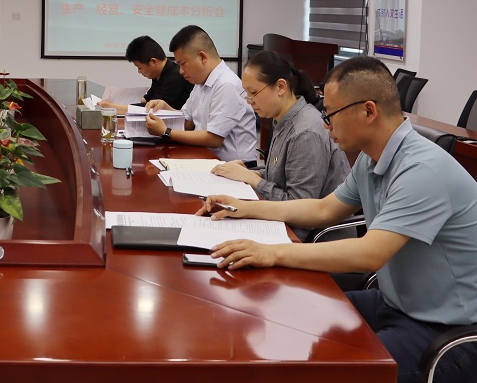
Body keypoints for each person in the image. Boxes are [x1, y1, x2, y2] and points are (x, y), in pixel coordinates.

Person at [203, 57, 477, 383]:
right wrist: (246, 208)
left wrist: (271, 252)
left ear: (368, 111)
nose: (326, 125)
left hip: (447, 332)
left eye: (330, 114)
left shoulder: (422, 170)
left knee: (326, 368)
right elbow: (323, 210)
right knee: (288, 316)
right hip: (395, 304)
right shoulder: (370, 160)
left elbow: (369, 253)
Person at [209, 50, 349, 239]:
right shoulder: (283, 119)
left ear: (281, 87)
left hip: (313, 238)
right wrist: (251, 172)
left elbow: (299, 207)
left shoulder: (305, 132)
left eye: (254, 93)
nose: (250, 102)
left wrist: (252, 179)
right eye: (246, 94)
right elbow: (285, 173)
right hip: (286, 223)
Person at [144, 25, 257, 161]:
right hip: (206, 158)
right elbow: (187, 122)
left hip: (234, 166)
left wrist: (166, 132)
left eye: (183, 64)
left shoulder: (227, 85)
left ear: (202, 57)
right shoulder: (201, 82)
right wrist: (165, 107)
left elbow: (214, 138)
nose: (180, 71)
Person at [99, 34, 192, 113]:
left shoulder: (175, 77)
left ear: (153, 62)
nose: (139, 72)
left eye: (139, 67)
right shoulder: (159, 73)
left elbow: (151, 109)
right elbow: (147, 100)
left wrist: (113, 107)